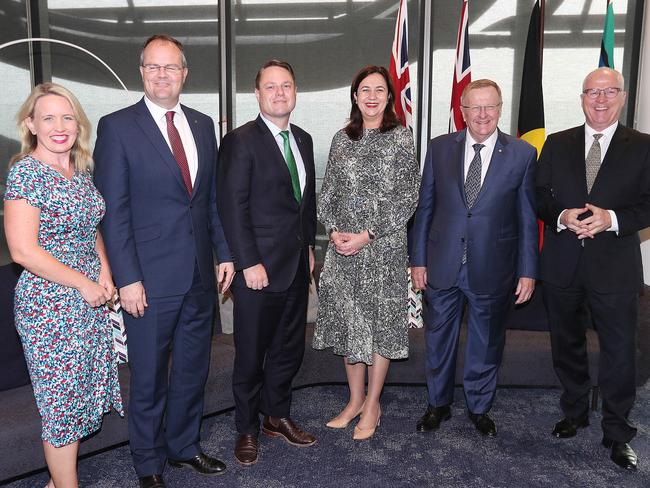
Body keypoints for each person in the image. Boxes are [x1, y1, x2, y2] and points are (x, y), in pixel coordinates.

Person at [93, 35, 234, 488]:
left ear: (184, 74)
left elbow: (210, 200)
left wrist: (225, 253)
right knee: (149, 378)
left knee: (194, 370)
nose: (161, 75)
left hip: (198, 276)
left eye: (170, 67)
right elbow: (113, 212)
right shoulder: (117, 127)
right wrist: (128, 278)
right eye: (152, 67)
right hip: (148, 280)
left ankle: (184, 447)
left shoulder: (203, 124)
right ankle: (149, 465)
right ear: (141, 73)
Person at [3, 83, 123, 488]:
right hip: (49, 307)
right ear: (30, 125)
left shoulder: (79, 170)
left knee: (79, 397)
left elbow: (93, 229)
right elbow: (22, 250)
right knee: (61, 406)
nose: (60, 125)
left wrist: (104, 272)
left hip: (88, 300)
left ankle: (56, 483)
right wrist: (83, 283)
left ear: (78, 125)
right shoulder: (26, 172)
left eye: (67, 117)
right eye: (49, 117)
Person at [409, 79, 538, 437]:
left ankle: (479, 407)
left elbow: (527, 217)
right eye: (474, 107)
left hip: (493, 266)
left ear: (500, 109)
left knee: (487, 341)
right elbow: (425, 208)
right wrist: (417, 260)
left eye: (490, 106)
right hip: (441, 262)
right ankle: (437, 405)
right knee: (438, 339)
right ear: (462, 111)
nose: (482, 114)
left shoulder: (523, 154)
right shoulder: (438, 149)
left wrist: (528, 271)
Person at [537, 67, 650, 471]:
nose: (600, 100)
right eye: (592, 93)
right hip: (563, 263)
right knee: (566, 346)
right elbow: (538, 196)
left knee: (620, 353)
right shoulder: (557, 143)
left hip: (614, 266)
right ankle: (574, 412)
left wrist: (613, 218)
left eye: (608, 92)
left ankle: (618, 432)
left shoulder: (643, 145)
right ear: (581, 98)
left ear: (622, 97)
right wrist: (563, 214)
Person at [217, 60, 317, 466]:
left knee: (287, 349)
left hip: (295, 266)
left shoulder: (305, 139)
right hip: (257, 270)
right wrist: (247, 262)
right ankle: (246, 428)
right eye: (271, 87)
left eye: (286, 85)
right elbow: (232, 206)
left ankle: (277, 416)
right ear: (257, 94)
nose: (279, 93)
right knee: (251, 353)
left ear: (295, 91)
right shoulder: (241, 141)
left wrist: (309, 247)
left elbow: (303, 204)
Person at [312, 65, 420, 440]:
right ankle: (354, 399)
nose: (371, 96)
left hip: (383, 251)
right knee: (348, 324)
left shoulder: (401, 138)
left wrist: (367, 234)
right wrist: (334, 231)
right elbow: (328, 193)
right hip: (343, 251)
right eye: (364, 90)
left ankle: (373, 403)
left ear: (389, 97)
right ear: (355, 97)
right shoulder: (342, 139)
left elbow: (408, 196)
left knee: (379, 328)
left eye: (379, 90)